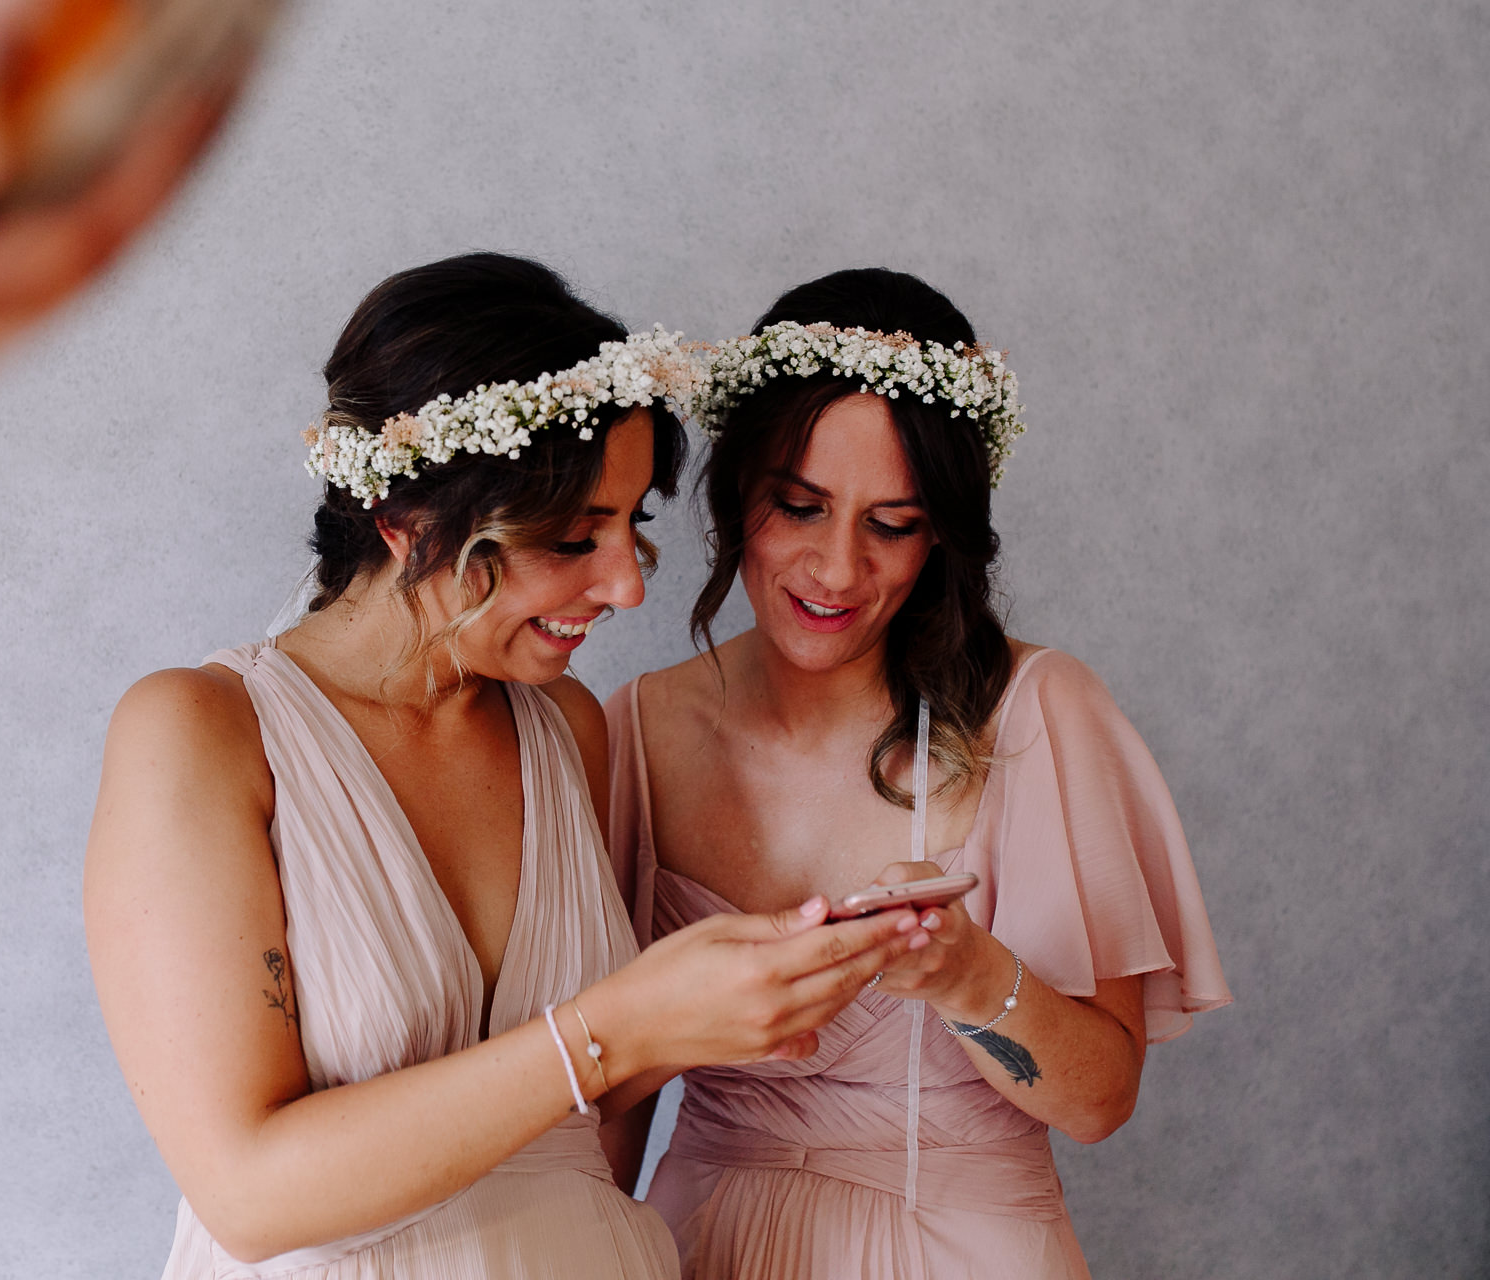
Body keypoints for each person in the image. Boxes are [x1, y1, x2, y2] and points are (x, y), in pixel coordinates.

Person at [84, 254, 934, 1279]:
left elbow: (581, 1106)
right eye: (577, 536)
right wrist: (618, 1026)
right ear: (407, 524)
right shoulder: (201, 732)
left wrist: (746, 988)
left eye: (632, 525)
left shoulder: (565, 726)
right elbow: (249, 1193)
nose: (625, 586)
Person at [606, 269, 1232, 1279]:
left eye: (890, 523)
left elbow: (1100, 1098)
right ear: (733, 496)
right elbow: (614, 1096)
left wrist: (963, 971)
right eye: (799, 507)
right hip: (697, 1243)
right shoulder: (637, 727)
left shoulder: (1037, 710)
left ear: (939, 530)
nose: (837, 568)